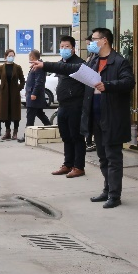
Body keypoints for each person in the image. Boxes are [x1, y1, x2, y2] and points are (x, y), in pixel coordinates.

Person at [32, 28, 135, 208]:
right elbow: (69, 68)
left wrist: (108, 85)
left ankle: (115, 195)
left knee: (113, 157)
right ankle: (107, 190)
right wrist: (44, 65)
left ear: (104, 40)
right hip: (95, 116)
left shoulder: (119, 62)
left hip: (112, 117)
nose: (91, 44)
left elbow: (128, 82)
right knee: (102, 157)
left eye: (94, 40)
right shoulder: (94, 61)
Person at [47, 36, 87, 178]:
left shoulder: (80, 64)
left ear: (73, 49)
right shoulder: (60, 64)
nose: (64, 49)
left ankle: (79, 166)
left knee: (76, 137)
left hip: (75, 105)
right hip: (62, 105)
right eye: (62, 47)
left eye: (67, 47)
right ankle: (67, 164)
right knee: (66, 136)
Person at [18, 49, 51, 142]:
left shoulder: (38, 66)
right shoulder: (35, 65)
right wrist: (28, 91)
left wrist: (34, 93)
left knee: (30, 116)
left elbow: (39, 81)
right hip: (32, 94)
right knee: (40, 114)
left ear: (32, 57)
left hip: (35, 96)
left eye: (30, 57)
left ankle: (27, 135)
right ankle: (50, 126)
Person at [0, 49, 25, 140]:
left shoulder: (17, 67)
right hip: (4, 94)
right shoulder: (1, 68)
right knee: (5, 112)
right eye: (9, 56)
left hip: (14, 93)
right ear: (5, 57)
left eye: (12, 56)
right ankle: (7, 132)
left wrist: (18, 88)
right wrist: (1, 87)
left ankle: (15, 132)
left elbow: (22, 80)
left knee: (15, 112)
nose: (11, 57)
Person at [84, 34, 97, 152]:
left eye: (89, 44)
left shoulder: (97, 57)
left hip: (95, 92)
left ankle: (92, 141)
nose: (88, 46)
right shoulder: (91, 56)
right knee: (88, 119)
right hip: (88, 92)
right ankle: (88, 141)